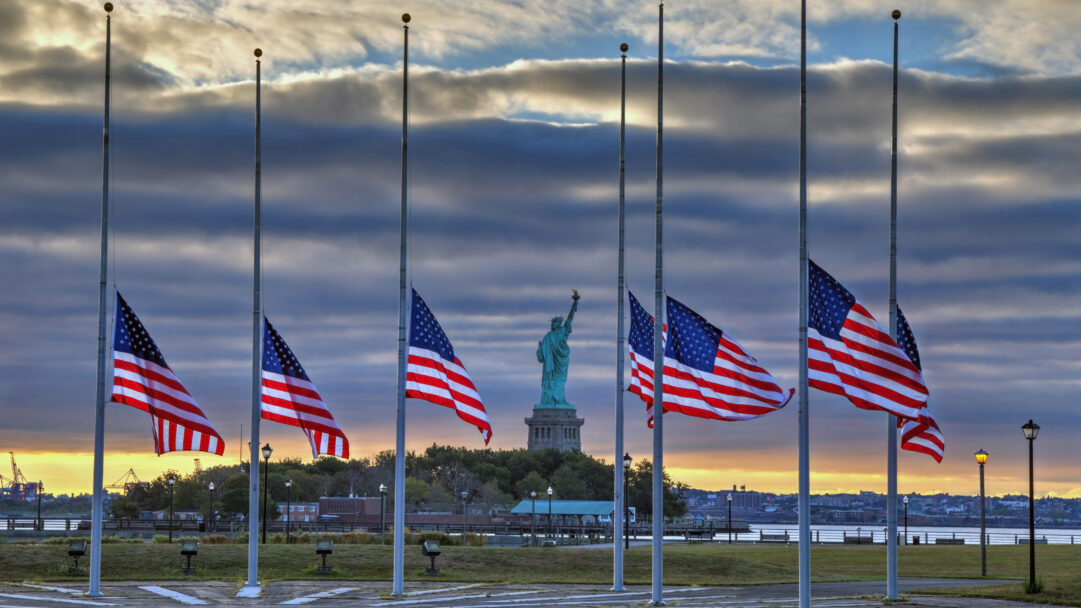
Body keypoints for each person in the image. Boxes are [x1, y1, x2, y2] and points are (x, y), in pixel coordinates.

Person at [536, 290, 579, 408]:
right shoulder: (548, 336)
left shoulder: (562, 332)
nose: (552, 324)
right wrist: (540, 349)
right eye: (552, 322)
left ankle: (559, 399)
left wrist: (574, 304)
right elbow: (541, 356)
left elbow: (569, 319)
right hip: (551, 364)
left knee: (560, 381)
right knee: (550, 381)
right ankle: (550, 401)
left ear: (558, 324)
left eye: (555, 322)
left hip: (561, 361)